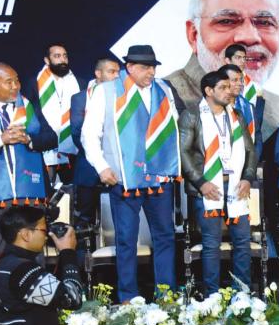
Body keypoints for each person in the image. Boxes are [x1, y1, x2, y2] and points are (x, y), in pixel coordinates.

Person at [81, 45, 180, 302]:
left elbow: (172, 125)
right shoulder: (107, 91)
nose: (151, 72)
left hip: (158, 177)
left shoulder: (164, 90)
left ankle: (166, 295)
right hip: (123, 177)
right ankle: (128, 296)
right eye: (146, 67)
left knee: (165, 236)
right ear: (130, 68)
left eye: (154, 67)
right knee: (126, 239)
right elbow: (90, 133)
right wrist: (101, 166)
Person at [166, 0, 279, 141]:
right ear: (193, 34)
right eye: (227, 21)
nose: (249, 37)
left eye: (265, 22)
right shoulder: (163, 99)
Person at [180, 71, 257, 295]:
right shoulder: (192, 115)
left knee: (242, 242)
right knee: (211, 245)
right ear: (209, 91)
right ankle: (212, 296)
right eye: (223, 87)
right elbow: (183, 152)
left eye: (229, 86)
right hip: (207, 188)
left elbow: (251, 151)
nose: (229, 91)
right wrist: (201, 182)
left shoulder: (236, 116)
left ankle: (242, 294)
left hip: (235, 186)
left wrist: (247, 178)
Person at [0, 206, 83, 325]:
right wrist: (68, 252)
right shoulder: (22, 271)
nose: (47, 236)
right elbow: (73, 298)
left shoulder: (5, 263)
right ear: (26, 235)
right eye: (43, 230)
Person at [0, 63, 57, 256]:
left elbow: (51, 137)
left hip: (30, 194)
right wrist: (1, 140)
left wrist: (29, 140)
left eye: (17, 80)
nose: (16, 86)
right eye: (8, 82)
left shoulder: (27, 106)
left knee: (33, 253)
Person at [70, 58, 121, 227]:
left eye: (118, 72)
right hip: (89, 164)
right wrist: (99, 157)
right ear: (98, 73)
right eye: (111, 71)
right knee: (85, 219)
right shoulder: (80, 98)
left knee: (120, 218)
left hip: (119, 164)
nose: (116, 76)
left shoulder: (124, 95)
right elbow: (78, 132)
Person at [26, 44, 83, 190]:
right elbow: (29, 115)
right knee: (46, 192)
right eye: (57, 56)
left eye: (65, 56)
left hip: (73, 148)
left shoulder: (80, 83)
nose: (62, 60)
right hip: (45, 147)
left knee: (73, 194)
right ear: (47, 60)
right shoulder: (34, 84)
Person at [220, 64, 263, 161]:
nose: (240, 84)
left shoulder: (249, 107)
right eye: (235, 80)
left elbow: (257, 138)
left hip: (247, 165)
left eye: (241, 80)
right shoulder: (214, 107)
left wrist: (253, 162)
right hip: (219, 165)